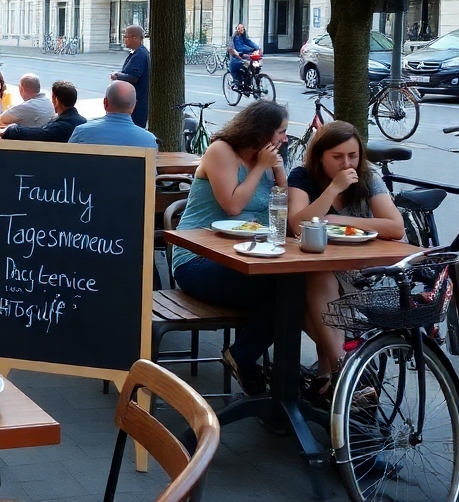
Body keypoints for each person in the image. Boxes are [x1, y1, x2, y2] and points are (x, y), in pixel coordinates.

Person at [171, 100, 289, 395]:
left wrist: (280, 172)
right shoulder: (221, 151)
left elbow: (280, 207)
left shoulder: (267, 161)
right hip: (197, 260)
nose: (285, 139)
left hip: (249, 256)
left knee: (295, 288)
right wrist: (261, 166)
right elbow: (233, 205)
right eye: (281, 132)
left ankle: (277, 380)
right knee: (283, 292)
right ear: (262, 132)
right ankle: (245, 359)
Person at [288, 121, 405, 399]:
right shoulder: (302, 176)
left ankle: (330, 380)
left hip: (360, 271)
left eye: (352, 156)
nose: (346, 163)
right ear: (320, 156)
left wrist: (338, 219)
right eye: (337, 157)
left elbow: (395, 226)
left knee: (313, 301)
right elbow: (297, 225)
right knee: (316, 280)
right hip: (316, 268)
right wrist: (332, 190)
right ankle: (342, 374)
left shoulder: (367, 177)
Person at [69, 81, 158, 148]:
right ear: (134, 105)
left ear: (105, 103)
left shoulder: (82, 133)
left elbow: (67, 164)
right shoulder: (149, 140)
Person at [3, 81, 86, 143]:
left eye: (52, 98)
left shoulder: (61, 126)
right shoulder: (83, 121)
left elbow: (38, 134)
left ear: (56, 100)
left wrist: (13, 128)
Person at [111, 24, 150, 128]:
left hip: (137, 104)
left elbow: (134, 77)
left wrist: (118, 76)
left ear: (135, 38)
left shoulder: (140, 54)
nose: (124, 39)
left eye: (126, 36)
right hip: (135, 102)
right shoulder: (137, 53)